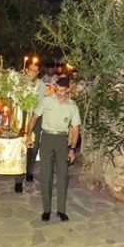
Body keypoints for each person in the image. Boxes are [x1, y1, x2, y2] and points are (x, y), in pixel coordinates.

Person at [25, 77, 80, 222]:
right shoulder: (47, 100)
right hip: (47, 138)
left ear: (68, 90)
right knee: (46, 174)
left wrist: (72, 149)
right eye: (57, 90)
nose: (59, 93)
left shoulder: (72, 106)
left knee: (63, 175)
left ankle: (61, 210)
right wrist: (29, 136)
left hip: (61, 139)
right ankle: (46, 209)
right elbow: (34, 117)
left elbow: (75, 129)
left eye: (62, 91)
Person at [14, 62, 47, 193]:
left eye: (35, 70)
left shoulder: (41, 85)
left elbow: (41, 103)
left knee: (33, 146)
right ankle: (18, 179)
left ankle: (29, 171)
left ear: (38, 73)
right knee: (19, 146)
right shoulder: (18, 83)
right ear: (26, 70)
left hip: (35, 117)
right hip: (20, 117)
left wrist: (34, 117)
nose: (32, 72)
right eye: (30, 70)